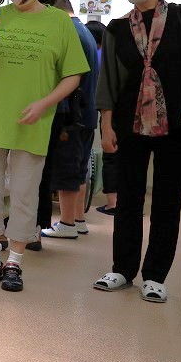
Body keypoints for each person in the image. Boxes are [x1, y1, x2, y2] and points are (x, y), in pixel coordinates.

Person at [0, 0, 88, 292]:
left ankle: (15, 261)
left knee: (24, 194)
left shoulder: (59, 22)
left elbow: (73, 75)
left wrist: (44, 104)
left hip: (34, 122)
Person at [93, 0, 181, 302]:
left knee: (167, 201)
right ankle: (123, 269)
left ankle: (155, 275)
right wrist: (106, 125)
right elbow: (108, 81)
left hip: (178, 125)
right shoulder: (117, 28)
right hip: (129, 124)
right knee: (128, 199)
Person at [39, 0, 100, 240]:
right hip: (86, 113)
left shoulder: (69, 32)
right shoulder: (83, 30)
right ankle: (78, 219)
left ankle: (66, 222)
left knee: (66, 167)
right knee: (78, 166)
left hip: (71, 115)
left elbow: (68, 77)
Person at [84, 19, 118, 216]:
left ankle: (113, 203)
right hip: (128, 112)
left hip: (108, 111)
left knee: (110, 156)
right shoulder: (113, 52)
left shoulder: (96, 55)